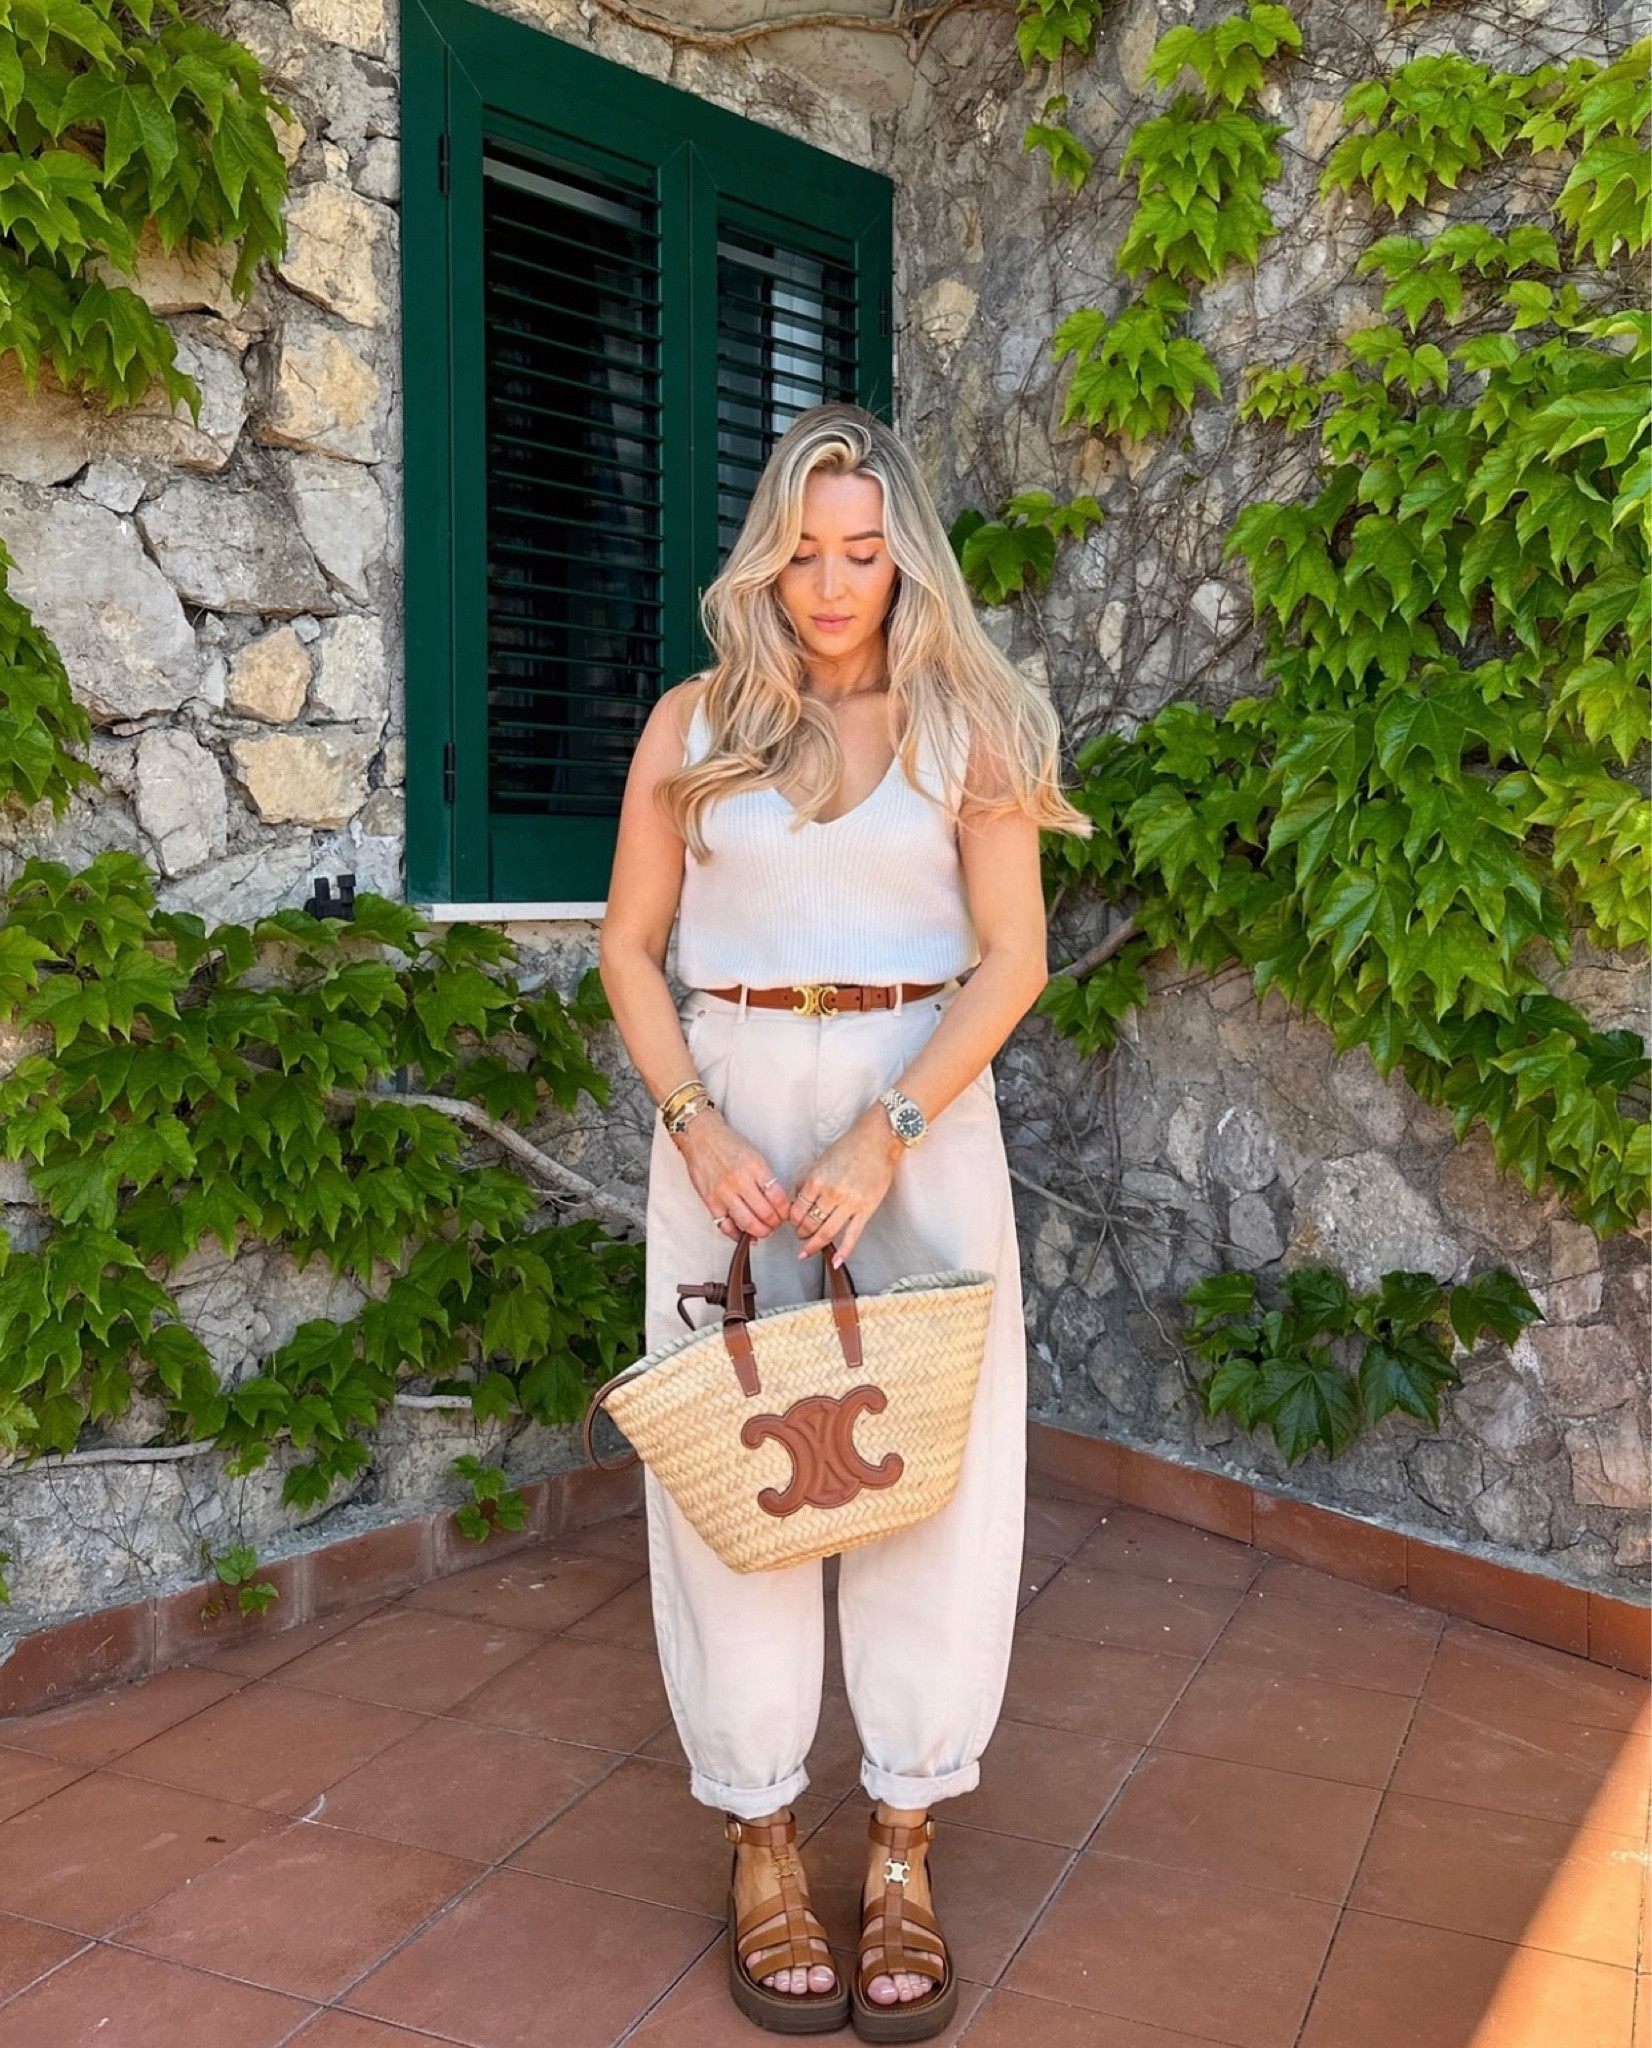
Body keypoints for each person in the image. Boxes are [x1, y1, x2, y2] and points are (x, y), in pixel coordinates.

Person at [598, 402, 1091, 2039]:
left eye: (862, 551)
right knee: (739, 1472)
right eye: (803, 551)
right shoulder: (693, 725)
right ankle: (757, 1836)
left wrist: (886, 1134)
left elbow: (1010, 959)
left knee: (924, 1480)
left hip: (917, 1128)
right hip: (727, 1130)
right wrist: (693, 1122)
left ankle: (900, 1841)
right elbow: (628, 947)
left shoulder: (973, 729)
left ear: (907, 557)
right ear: (768, 555)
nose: (830, 584)